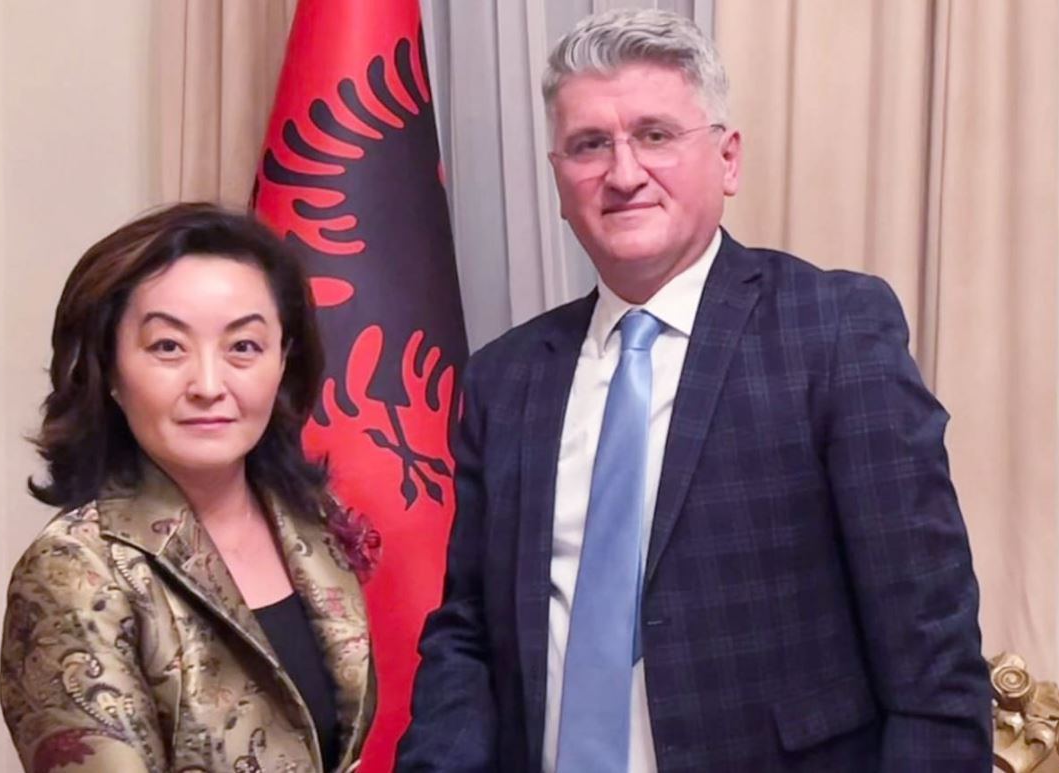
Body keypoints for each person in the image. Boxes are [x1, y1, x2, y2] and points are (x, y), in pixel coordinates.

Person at [397, 8, 991, 772]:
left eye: (655, 135)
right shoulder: (505, 379)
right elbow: (470, 633)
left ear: (728, 159)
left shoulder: (833, 332)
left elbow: (931, 665)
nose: (622, 173)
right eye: (590, 144)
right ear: (558, 178)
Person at [0, 203, 376, 772]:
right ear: (110, 371)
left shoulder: (308, 521)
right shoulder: (74, 568)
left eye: (243, 346)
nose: (208, 384)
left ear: (283, 360)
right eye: (167, 347)